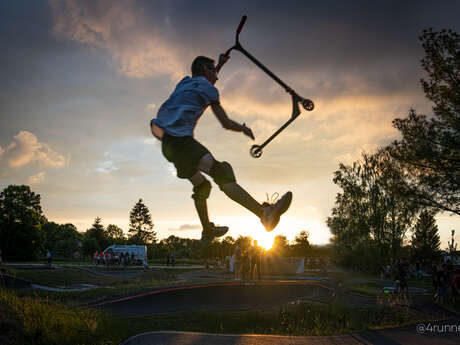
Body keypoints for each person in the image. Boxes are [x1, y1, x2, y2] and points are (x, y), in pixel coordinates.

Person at [150, 54, 292, 242]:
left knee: (202, 186)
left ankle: (207, 229)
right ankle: (263, 213)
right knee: (222, 172)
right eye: (213, 70)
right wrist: (243, 128)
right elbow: (224, 122)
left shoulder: (185, 82)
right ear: (204, 70)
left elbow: (203, 81)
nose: (217, 77)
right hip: (181, 142)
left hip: (168, 145)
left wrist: (220, 65)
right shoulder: (208, 89)